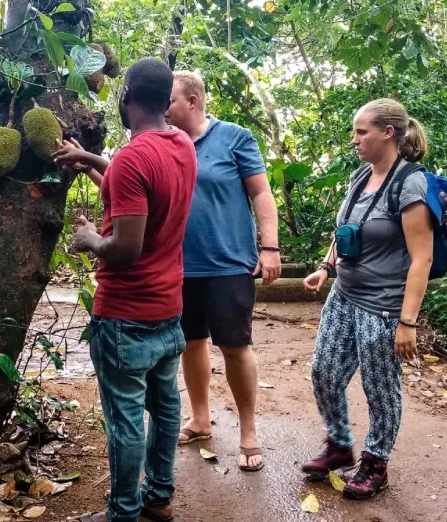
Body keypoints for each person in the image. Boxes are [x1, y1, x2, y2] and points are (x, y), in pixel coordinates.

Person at [57, 58, 198, 522]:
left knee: (125, 421)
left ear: (127, 96)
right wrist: (93, 160)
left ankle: (123, 512)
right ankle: (158, 498)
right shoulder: (181, 145)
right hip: (167, 309)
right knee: (165, 406)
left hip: (125, 314)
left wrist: (88, 239)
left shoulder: (134, 159)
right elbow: (137, 185)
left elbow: (124, 248)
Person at [301, 98, 433, 500]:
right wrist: (326, 267)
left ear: (388, 133)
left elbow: (422, 256)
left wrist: (406, 322)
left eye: (362, 132)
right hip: (344, 295)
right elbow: (345, 230)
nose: (355, 139)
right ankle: (340, 445)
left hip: (382, 306)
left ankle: (376, 462)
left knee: (379, 389)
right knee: (324, 373)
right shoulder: (361, 176)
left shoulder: (409, 183)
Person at [162, 71, 281, 472]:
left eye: (171, 100)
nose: (164, 107)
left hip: (229, 263)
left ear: (192, 101)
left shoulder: (235, 137)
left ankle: (248, 431)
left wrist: (269, 247)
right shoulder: (165, 142)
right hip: (180, 265)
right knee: (191, 342)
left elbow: (261, 192)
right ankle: (200, 419)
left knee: (234, 345)